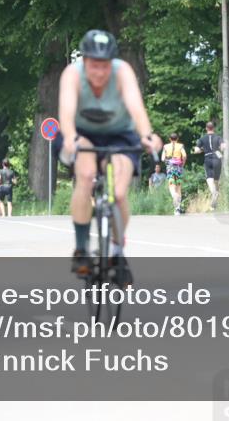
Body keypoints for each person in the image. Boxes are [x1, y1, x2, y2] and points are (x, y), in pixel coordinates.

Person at [58, 29, 162, 278]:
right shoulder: (72, 74)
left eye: (105, 65)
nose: (100, 72)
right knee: (85, 176)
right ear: (84, 61)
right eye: (94, 65)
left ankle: (117, 252)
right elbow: (66, 112)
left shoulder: (123, 72)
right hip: (82, 133)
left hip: (119, 136)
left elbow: (136, 107)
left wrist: (147, 135)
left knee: (119, 192)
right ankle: (81, 249)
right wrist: (70, 138)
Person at [193, 121, 225, 209]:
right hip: (217, 159)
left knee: (209, 179)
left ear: (206, 128)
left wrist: (202, 150)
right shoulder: (218, 137)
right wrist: (220, 149)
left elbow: (196, 150)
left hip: (208, 159)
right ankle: (215, 200)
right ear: (213, 128)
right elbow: (223, 147)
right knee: (216, 180)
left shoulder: (202, 139)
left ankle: (214, 194)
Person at [163, 133, 188, 214]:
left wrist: (167, 161)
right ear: (177, 139)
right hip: (178, 168)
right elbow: (184, 155)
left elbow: (162, 158)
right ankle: (178, 209)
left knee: (171, 186)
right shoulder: (180, 146)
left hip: (170, 168)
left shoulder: (166, 146)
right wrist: (183, 164)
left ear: (170, 139)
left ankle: (175, 196)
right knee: (178, 187)